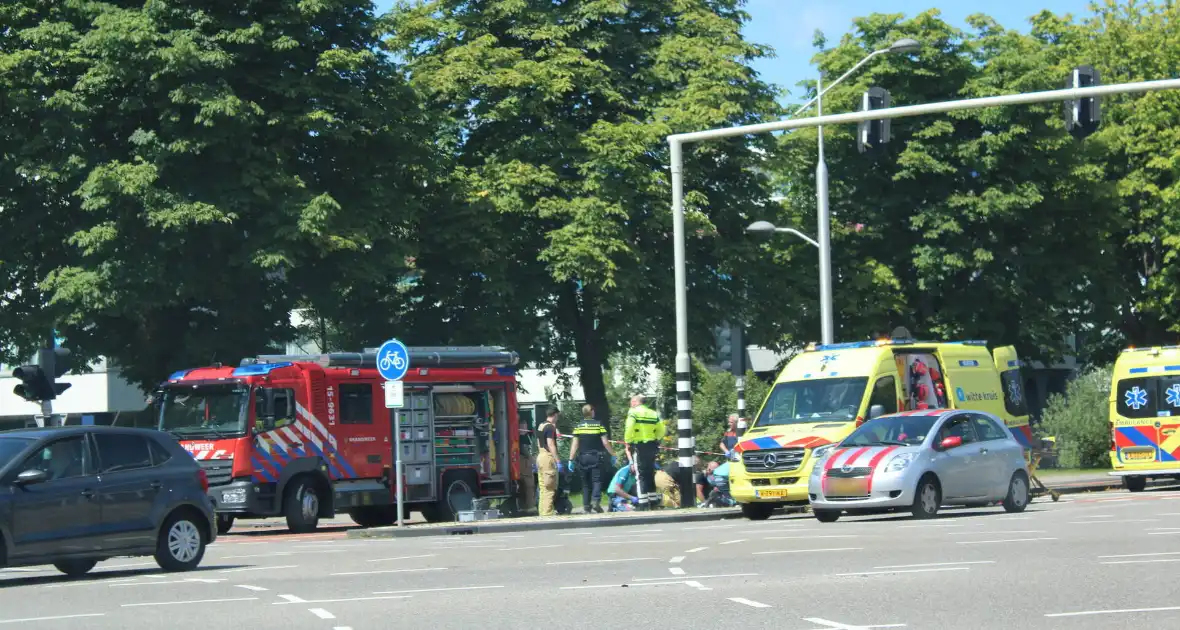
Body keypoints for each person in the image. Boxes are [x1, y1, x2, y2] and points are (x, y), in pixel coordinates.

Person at [568, 403, 611, 514]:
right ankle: (595, 501)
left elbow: (575, 444)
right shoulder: (598, 425)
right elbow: (605, 442)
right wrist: (613, 454)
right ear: (591, 412)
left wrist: (570, 459)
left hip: (582, 458)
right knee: (596, 480)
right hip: (596, 457)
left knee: (585, 483)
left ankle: (586, 506)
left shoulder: (578, 426)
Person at [624, 394, 665, 510]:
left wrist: (628, 441)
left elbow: (629, 427)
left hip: (639, 445)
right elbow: (662, 430)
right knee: (649, 473)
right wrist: (656, 438)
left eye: (632, 401)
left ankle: (642, 503)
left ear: (637, 401)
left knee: (640, 474)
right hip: (652, 445)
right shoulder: (653, 413)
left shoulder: (633, 412)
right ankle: (653, 501)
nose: (631, 404)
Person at [536, 407, 562, 516]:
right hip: (547, 457)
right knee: (549, 488)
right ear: (555, 415)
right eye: (558, 416)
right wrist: (558, 461)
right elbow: (551, 444)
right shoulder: (550, 427)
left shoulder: (541, 425)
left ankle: (542, 512)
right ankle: (547, 513)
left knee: (543, 487)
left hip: (540, 455)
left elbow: (539, 442)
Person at [517, 416, 537, 513]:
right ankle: (530, 507)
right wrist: (533, 460)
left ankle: (524, 507)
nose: (524, 429)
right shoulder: (520, 438)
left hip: (527, 464)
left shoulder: (527, 436)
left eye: (525, 426)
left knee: (526, 487)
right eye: (522, 426)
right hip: (523, 464)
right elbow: (525, 451)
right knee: (529, 486)